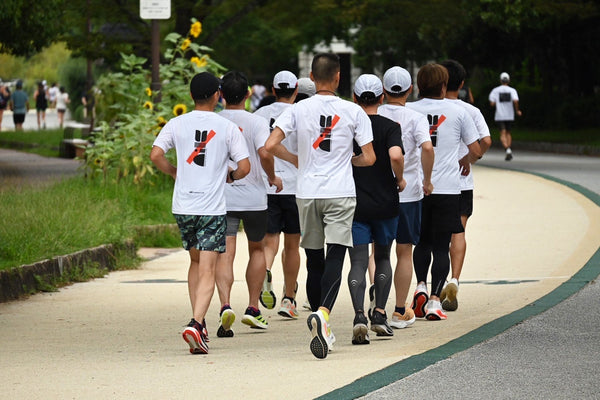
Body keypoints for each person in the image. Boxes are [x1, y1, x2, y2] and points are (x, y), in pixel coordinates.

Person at [266, 53, 375, 359]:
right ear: (339, 77)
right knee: (336, 255)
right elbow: (369, 157)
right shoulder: (353, 111)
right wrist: (348, 160)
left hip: (307, 191)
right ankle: (323, 314)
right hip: (340, 192)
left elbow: (270, 145)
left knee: (314, 259)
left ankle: (319, 322)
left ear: (311, 77)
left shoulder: (297, 109)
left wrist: (295, 160)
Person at [150, 72, 251, 354]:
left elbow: (156, 154)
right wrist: (231, 176)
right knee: (208, 267)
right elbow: (245, 167)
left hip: (183, 206)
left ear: (191, 96)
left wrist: (174, 172)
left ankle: (201, 323)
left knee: (195, 262)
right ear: (218, 95)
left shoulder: (176, 123)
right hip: (211, 208)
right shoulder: (226, 127)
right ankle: (196, 323)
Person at [406, 63, 481, 321]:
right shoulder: (459, 112)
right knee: (441, 245)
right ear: (443, 86)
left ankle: (420, 286)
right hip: (448, 188)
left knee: (421, 242)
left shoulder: (409, 110)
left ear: (419, 86)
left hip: (417, 188)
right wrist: (465, 160)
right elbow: (477, 149)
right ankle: (435, 301)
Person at [214, 71, 283, 337]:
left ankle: (225, 305)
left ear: (221, 95)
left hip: (223, 196)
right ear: (248, 94)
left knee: (225, 251)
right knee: (257, 249)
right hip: (254, 198)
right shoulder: (256, 122)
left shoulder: (215, 121)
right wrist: (272, 176)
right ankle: (253, 308)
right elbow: (265, 152)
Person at [347, 74, 405, 345]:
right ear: (382, 97)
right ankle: (380, 313)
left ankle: (359, 316)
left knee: (358, 262)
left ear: (355, 98)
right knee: (382, 257)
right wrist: (400, 178)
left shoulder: (349, 125)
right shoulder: (390, 126)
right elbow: (395, 155)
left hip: (355, 202)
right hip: (385, 202)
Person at [378, 66, 434, 329]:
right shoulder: (416, 117)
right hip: (408, 193)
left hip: (376, 192)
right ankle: (400, 310)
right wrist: (427, 180)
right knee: (404, 251)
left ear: (384, 90)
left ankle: (376, 303)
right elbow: (427, 148)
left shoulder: (373, 114)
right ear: (410, 90)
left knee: (377, 251)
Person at [441, 60, 492, 311]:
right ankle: (454, 279)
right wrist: (468, 159)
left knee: (435, 236)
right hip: (462, 182)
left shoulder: (426, 108)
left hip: (435, 182)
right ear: (461, 84)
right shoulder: (470, 110)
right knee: (458, 232)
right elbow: (486, 141)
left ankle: (432, 286)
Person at [254, 70, 301, 318]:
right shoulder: (301, 113)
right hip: (295, 186)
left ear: (273, 90)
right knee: (292, 245)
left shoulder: (259, 115)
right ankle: (288, 300)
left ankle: (266, 270)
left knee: (269, 240)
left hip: (268, 184)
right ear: (296, 91)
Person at [488, 72, 522, 161]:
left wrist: (497, 102)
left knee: (502, 133)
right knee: (508, 133)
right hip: (509, 115)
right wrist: (517, 110)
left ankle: (507, 149)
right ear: (509, 80)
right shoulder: (512, 90)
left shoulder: (495, 90)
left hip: (500, 115)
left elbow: (492, 103)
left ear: (500, 80)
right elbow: (515, 101)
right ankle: (509, 149)